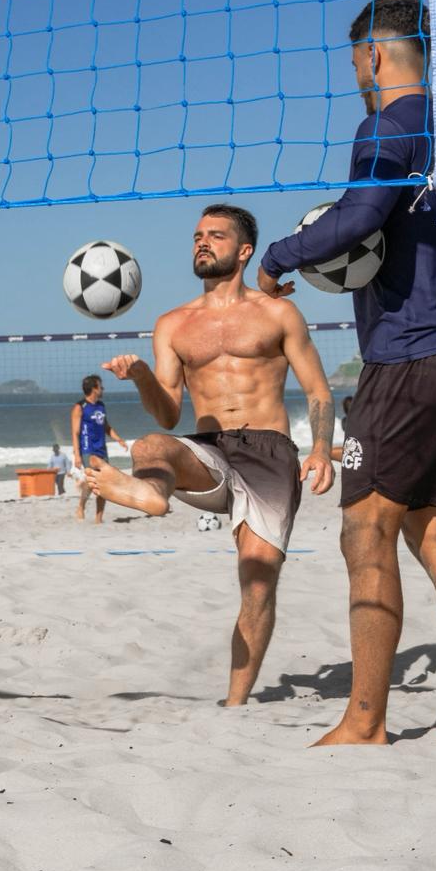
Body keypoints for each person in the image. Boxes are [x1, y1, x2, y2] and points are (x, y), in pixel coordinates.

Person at [258, 0, 436, 744]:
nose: (356, 73)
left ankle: (366, 721)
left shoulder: (387, 125)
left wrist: (278, 257)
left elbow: (359, 216)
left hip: (407, 359)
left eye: (354, 61)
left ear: (374, 57)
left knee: (365, 530)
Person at [85, 205, 335, 706]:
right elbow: (168, 414)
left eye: (215, 236)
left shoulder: (278, 312)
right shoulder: (173, 324)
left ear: (243, 251)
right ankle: (152, 493)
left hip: (269, 451)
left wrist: (322, 449)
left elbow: (318, 390)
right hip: (209, 449)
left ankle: (236, 702)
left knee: (258, 582)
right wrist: (141, 378)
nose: (202, 242)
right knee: (150, 445)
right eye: (198, 235)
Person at [71, 375, 127, 524]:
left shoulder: (101, 406)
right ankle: (81, 507)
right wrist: (77, 455)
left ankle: (98, 519)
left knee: (104, 484)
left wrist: (119, 439)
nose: (103, 389)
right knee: (93, 483)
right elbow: (75, 433)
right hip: (87, 449)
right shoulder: (80, 407)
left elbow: (106, 427)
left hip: (102, 450)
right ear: (94, 389)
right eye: (101, 386)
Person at [330, 395, 354, 463]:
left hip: (352, 449)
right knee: (327, 452)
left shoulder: (344, 421)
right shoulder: (364, 419)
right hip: (353, 448)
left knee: (326, 453)